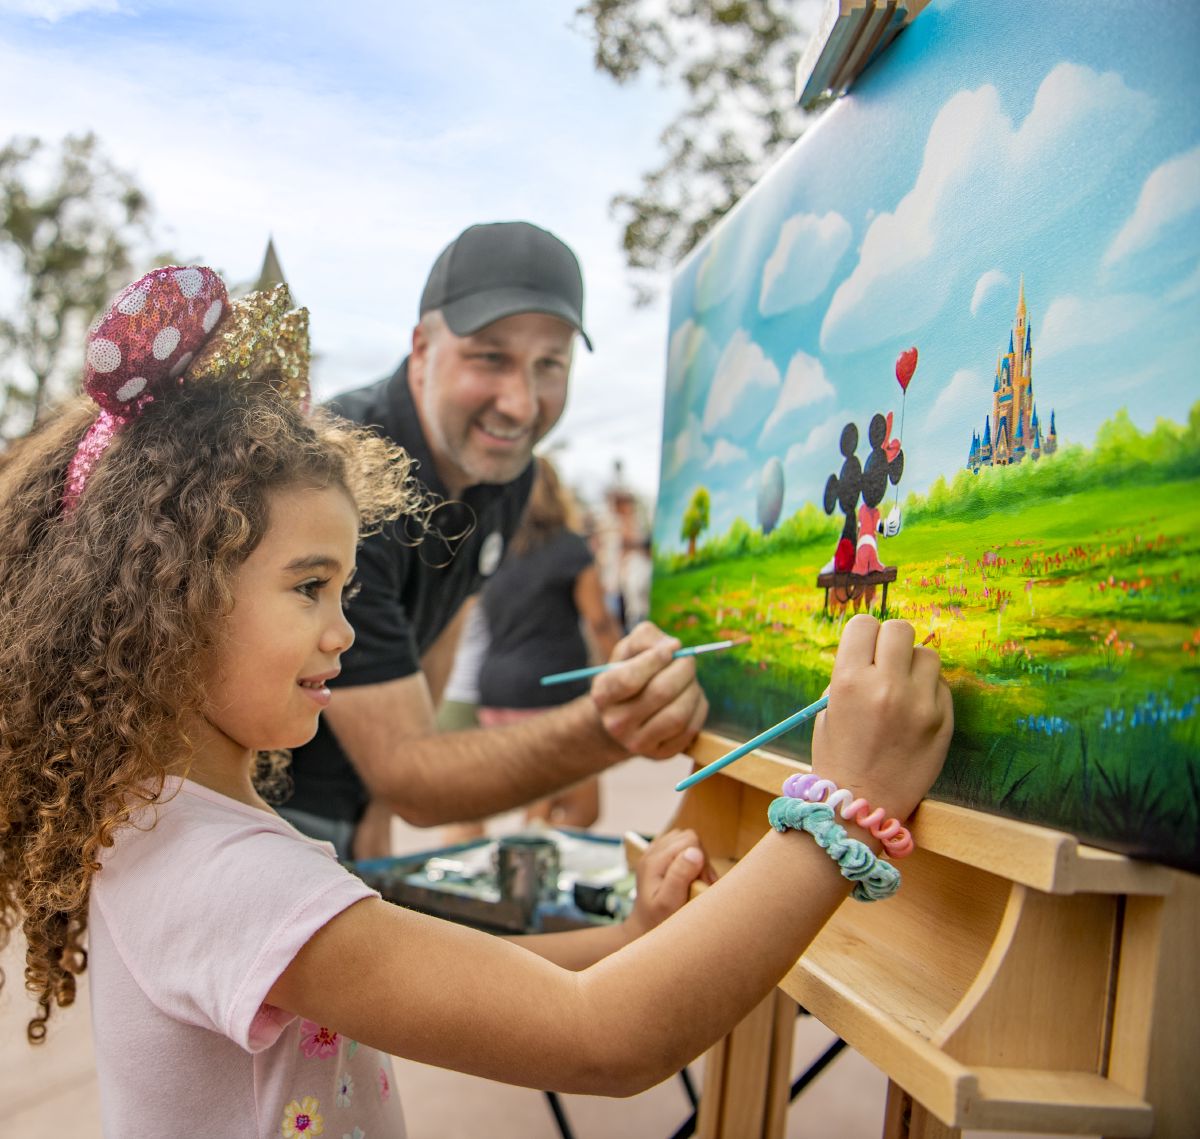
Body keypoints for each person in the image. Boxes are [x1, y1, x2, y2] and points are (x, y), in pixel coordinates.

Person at [0, 268, 954, 1139]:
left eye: (346, 591)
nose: (343, 630)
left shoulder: (178, 822)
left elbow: (432, 981)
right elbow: (602, 1040)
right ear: (173, 603)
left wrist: (631, 941)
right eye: (309, 587)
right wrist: (847, 803)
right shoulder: (226, 878)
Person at [281, 221, 709, 860]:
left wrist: (374, 809)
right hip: (259, 805)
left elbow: (443, 627)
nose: (521, 403)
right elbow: (411, 778)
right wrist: (613, 724)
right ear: (422, 348)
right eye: (491, 357)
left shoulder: (507, 473)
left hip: (346, 799)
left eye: (549, 365)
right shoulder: (341, 478)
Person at [473, 454, 624, 832]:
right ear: (557, 492)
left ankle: (529, 866)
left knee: (544, 798)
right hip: (548, 692)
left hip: (495, 692)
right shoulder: (570, 548)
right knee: (576, 807)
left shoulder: (497, 549)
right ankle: (528, 875)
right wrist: (623, 670)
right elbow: (599, 621)